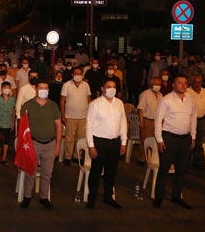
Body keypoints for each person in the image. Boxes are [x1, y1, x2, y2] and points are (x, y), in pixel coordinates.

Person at [153, 75, 197, 209]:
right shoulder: (166, 100)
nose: (183, 86)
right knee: (164, 169)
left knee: (181, 170)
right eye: (180, 83)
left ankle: (177, 196)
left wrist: (193, 136)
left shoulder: (191, 100)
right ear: (173, 85)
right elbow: (158, 120)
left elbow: (194, 118)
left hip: (185, 139)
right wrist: (159, 139)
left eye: (185, 83)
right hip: (169, 138)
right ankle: (158, 196)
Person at [19, 81, 62, 210]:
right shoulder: (28, 105)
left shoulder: (53, 106)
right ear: (36, 90)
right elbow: (22, 127)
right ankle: (27, 196)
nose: (44, 90)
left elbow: (59, 127)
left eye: (46, 88)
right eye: (41, 88)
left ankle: (44, 197)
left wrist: (58, 145)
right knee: (30, 172)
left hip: (50, 144)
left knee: (47, 173)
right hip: (33, 144)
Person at [85, 79, 128, 209]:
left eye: (114, 87)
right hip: (99, 142)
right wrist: (91, 145)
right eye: (109, 87)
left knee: (111, 172)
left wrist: (124, 141)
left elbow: (123, 122)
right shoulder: (95, 104)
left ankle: (108, 196)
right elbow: (89, 126)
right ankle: (91, 197)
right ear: (103, 88)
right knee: (96, 171)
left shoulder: (119, 103)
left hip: (115, 142)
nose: (112, 89)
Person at [60, 67, 92, 166]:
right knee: (69, 138)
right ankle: (68, 157)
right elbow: (62, 101)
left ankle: (77, 156)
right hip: (70, 116)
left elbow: (88, 99)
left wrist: (90, 114)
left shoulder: (86, 85)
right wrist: (63, 115)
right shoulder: (66, 85)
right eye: (76, 73)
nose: (78, 75)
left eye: (80, 73)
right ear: (72, 75)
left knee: (81, 138)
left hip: (83, 116)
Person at [136, 77, 163, 165]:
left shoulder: (160, 95)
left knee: (156, 140)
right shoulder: (145, 94)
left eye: (159, 84)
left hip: (157, 121)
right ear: (151, 84)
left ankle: (152, 158)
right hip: (147, 120)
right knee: (145, 140)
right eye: (156, 84)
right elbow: (140, 108)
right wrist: (141, 121)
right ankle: (142, 158)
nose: (157, 86)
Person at [186, 74, 205, 169]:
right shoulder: (187, 91)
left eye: (199, 82)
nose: (197, 84)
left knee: (199, 141)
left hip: (201, 120)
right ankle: (186, 161)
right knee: (189, 141)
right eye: (195, 82)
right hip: (190, 120)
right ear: (191, 82)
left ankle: (196, 161)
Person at [0, 81, 16, 165]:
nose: (7, 89)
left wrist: (13, 122)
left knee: (7, 142)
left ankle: (4, 158)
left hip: (8, 124)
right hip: (0, 124)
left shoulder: (12, 99)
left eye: (8, 88)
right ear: (2, 89)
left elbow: (13, 110)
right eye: (5, 88)